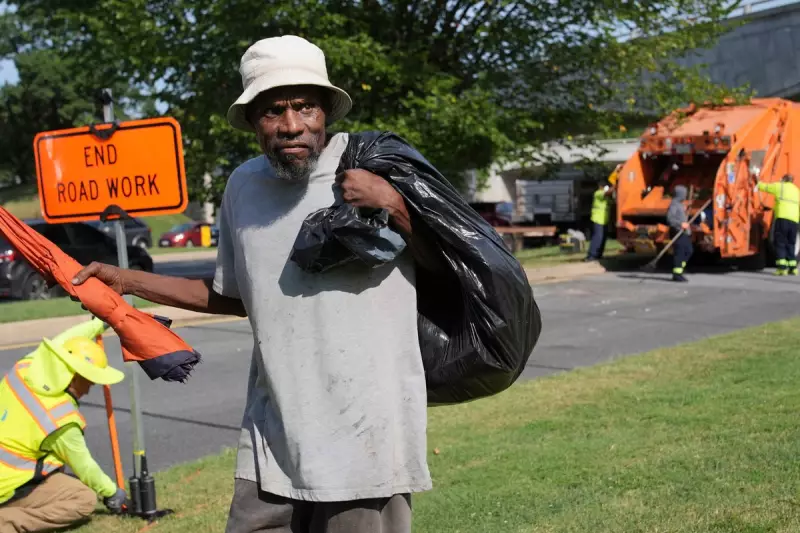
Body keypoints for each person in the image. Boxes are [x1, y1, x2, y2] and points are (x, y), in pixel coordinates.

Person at [70, 35, 435, 533]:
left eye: (305, 107)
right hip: (274, 430)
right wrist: (125, 280)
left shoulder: (377, 164)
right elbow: (235, 296)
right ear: (252, 121)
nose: (291, 125)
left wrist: (394, 205)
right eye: (273, 111)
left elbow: (462, 265)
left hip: (364, 430)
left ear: (327, 109)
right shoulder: (242, 185)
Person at [0, 318, 128, 533]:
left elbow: (65, 341)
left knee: (62, 475)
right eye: (89, 379)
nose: (91, 387)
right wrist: (112, 494)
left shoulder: (28, 367)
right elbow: (85, 466)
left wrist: (101, 322)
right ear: (74, 377)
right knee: (83, 499)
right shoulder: (60, 418)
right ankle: (6, 522)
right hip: (8, 486)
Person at [757, 174, 800, 275]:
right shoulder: (796, 190)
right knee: (791, 244)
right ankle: (793, 268)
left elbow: (764, 187)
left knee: (780, 243)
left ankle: (782, 268)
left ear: (783, 179)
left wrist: (756, 179)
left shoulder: (780, 187)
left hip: (782, 218)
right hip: (794, 221)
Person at [584, 165, 618, 262]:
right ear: (601, 187)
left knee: (603, 238)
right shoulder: (598, 193)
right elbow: (608, 192)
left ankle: (598, 255)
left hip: (604, 220)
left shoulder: (605, 197)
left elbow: (611, 201)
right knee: (597, 238)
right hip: (598, 219)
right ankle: (591, 256)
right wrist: (616, 185)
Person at [666, 184, 693, 282]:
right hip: (678, 232)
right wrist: (681, 224)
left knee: (689, 251)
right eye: (684, 194)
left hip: (684, 233)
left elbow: (680, 213)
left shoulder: (680, 204)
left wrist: (685, 208)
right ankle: (677, 274)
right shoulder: (673, 205)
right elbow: (670, 219)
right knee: (680, 252)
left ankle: (680, 268)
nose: (685, 196)